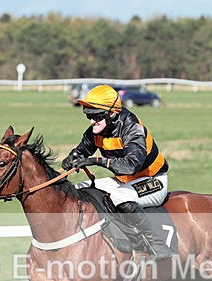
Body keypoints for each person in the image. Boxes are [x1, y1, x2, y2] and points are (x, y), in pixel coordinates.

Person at [61, 84, 172, 260]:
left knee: (120, 197)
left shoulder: (132, 127)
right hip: (123, 180)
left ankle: (156, 244)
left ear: (112, 113)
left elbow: (131, 166)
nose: (92, 121)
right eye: (89, 116)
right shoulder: (97, 129)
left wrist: (97, 161)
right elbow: (82, 150)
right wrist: (72, 158)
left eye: (96, 117)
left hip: (153, 180)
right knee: (79, 189)